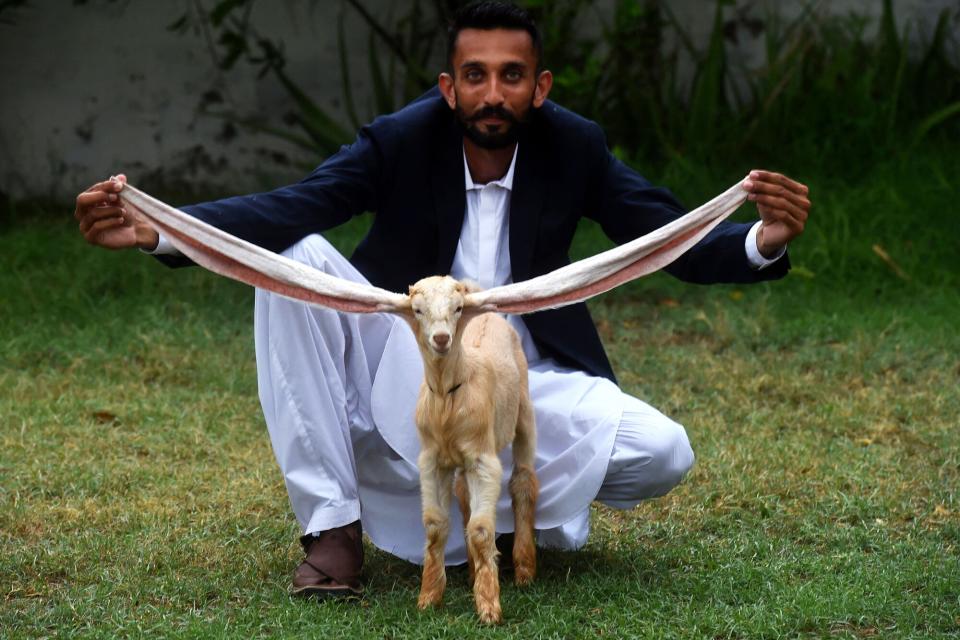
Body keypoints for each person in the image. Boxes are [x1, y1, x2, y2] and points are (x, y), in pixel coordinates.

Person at [73, 1, 810, 599]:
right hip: (406, 364)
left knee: (664, 453)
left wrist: (762, 239)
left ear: (540, 87)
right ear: (448, 87)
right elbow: (295, 205)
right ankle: (332, 527)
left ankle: (496, 513)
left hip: (520, 382)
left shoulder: (573, 146)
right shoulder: (400, 140)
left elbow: (660, 233)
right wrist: (164, 230)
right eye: (477, 76)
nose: (494, 94)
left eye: (512, 76)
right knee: (295, 259)